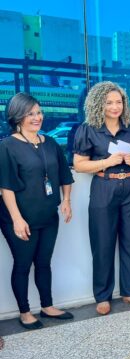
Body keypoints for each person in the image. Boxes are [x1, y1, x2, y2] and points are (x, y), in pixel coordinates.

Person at [73, 81, 130, 316]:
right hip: (103, 186)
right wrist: (107, 162)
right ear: (99, 104)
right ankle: (103, 296)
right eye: (109, 102)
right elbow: (78, 165)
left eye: (119, 102)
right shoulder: (88, 129)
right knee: (102, 242)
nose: (115, 107)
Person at [0, 93, 74, 330]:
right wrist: (17, 219)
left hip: (47, 215)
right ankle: (24, 312)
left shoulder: (49, 142)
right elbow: (6, 186)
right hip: (20, 217)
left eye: (39, 112)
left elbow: (65, 174)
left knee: (44, 262)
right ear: (17, 116)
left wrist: (67, 200)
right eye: (30, 113)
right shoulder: (7, 146)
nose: (37, 117)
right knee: (22, 264)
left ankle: (47, 306)